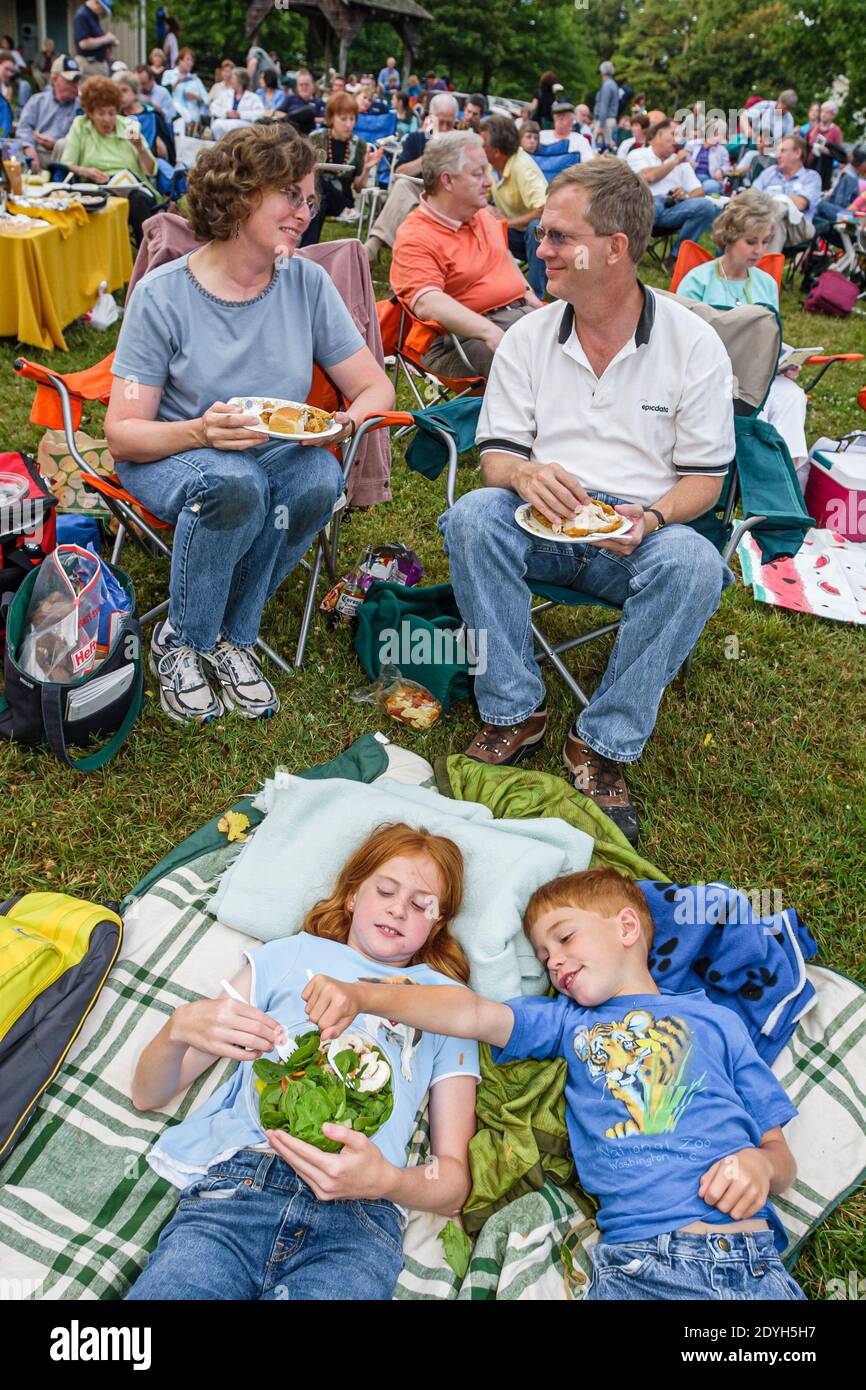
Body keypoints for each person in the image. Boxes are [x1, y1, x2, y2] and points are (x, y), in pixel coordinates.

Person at [303, 865, 805, 1303]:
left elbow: (780, 1156)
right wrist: (366, 996)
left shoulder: (718, 1022)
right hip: (633, 1268)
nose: (555, 962)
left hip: (741, 1259)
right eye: (544, 957)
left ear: (627, 926)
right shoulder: (568, 1023)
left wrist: (761, 1164)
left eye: (565, 939)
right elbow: (472, 1013)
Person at [437, 160, 735, 844]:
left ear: (615, 248)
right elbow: (498, 458)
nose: (538, 250)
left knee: (692, 563)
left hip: (638, 532)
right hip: (540, 520)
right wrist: (521, 476)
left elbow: (706, 482)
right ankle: (514, 711)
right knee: (472, 516)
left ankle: (603, 744)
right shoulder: (529, 339)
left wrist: (653, 517)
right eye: (540, 235)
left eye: (557, 237)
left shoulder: (693, 346)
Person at [104, 125, 394, 724]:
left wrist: (342, 423)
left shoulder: (306, 282)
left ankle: (235, 637)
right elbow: (123, 435)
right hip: (171, 454)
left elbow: (374, 385)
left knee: (318, 475)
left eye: (310, 199)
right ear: (239, 194)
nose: (306, 212)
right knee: (234, 482)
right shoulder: (164, 296)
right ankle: (182, 641)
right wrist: (200, 433)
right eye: (291, 194)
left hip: (269, 452)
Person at [125, 822, 479, 1300]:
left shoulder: (448, 1004)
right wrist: (176, 1030)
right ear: (352, 895)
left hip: (358, 1223)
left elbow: (453, 1181)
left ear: (436, 924)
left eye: (420, 905)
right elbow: (148, 1094)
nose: (399, 908)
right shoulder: (288, 957)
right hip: (238, 1190)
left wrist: (388, 1180)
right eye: (386, 890)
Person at [677, 191, 809, 484]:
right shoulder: (698, 281)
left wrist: (783, 361)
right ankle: (765, 486)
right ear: (729, 236)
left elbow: (767, 339)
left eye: (765, 242)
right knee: (756, 415)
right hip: (711, 380)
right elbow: (678, 340)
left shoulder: (764, 284)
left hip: (758, 378)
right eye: (751, 242)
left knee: (792, 397)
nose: (759, 251)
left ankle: (788, 484)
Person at [390, 131, 542, 380]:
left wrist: (530, 296)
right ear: (447, 181)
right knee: (535, 365)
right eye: (477, 173)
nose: (489, 182)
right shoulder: (416, 235)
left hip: (517, 316)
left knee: (585, 337)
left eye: (487, 171)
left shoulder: (480, 215)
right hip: (458, 340)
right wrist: (489, 332)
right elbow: (428, 302)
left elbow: (502, 257)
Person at [62, 76, 161, 243]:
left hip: (131, 187)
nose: (107, 119)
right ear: (90, 112)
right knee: (93, 200)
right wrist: (86, 171)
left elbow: (151, 170)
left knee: (139, 201)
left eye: (112, 113)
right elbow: (67, 164)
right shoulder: (80, 125)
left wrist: (140, 148)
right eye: (101, 113)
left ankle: (150, 257)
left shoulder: (129, 125)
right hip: (96, 185)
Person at [363, 91, 458, 263]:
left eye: (448, 124)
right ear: (431, 118)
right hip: (414, 200)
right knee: (403, 186)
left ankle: (374, 246)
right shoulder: (416, 139)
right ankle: (375, 247)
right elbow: (399, 173)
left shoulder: (460, 146)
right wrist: (427, 158)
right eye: (440, 122)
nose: (444, 129)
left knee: (412, 208)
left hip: (442, 204)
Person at [628, 118, 719, 270]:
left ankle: (675, 258)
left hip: (672, 209)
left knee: (707, 206)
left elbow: (699, 191)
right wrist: (675, 161)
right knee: (653, 201)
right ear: (659, 134)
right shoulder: (638, 154)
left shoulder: (681, 163)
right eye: (673, 133)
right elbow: (648, 177)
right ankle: (630, 254)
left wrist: (685, 196)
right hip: (643, 208)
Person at [482, 114, 549, 299]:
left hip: (541, 238)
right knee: (481, 222)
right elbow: (481, 196)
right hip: (514, 234)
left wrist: (507, 222)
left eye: (484, 143)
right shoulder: (492, 166)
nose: (480, 148)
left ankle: (536, 297)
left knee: (536, 229)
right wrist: (487, 207)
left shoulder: (522, 167)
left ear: (496, 151)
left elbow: (544, 210)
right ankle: (487, 288)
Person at [304, 92, 382, 244]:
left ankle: (305, 251)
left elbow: (359, 187)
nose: (348, 124)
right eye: (343, 119)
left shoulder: (359, 145)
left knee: (320, 192)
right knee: (319, 189)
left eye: (352, 119)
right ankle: (308, 252)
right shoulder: (316, 138)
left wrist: (366, 168)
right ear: (331, 118)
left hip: (344, 198)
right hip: (320, 199)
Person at [750, 134, 821, 252]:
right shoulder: (769, 172)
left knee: (782, 205)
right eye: (777, 151)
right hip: (771, 225)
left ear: (797, 153)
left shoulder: (811, 177)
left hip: (798, 227)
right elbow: (751, 195)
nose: (777, 155)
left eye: (782, 151)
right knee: (777, 226)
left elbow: (801, 203)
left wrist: (768, 203)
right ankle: (766, 269)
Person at [16, 55, 83, 170]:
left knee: (62, 144)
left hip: (68, 159)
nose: (75, 85)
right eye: (70, 81)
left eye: (77, 81)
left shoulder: (83, 106)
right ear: (55, 79)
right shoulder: (37, 101)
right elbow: (23, 128)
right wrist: (29, 148)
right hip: (39, 154)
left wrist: (56, 144)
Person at [210, 67, 265, 140]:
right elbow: (213, 107)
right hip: (224, 123)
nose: (231, 80)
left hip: (243, 125)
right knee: (216, 125)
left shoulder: (253, 97)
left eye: (233, 78)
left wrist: (240, 114)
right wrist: (226, 113)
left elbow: (259, 114)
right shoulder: (226, 94)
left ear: (241, 80)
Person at [163, 46, 208, 132]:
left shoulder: (195, 80)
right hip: (174, 116)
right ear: (180, 60)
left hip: (192, 119)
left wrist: (196, 97)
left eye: (192, 61)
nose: (190, 63)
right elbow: (164, 94)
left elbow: (207, 99)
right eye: (188, 59)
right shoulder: (168, 74)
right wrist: (177, 81)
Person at [72, 0, 116, 78]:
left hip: (97, 65)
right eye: (102, 9)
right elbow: (83, 43)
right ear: (96, 2)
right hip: (88, 65)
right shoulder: (82, 16)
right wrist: (106, 39)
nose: (102, 12)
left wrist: (110, 41)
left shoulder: (93, 16)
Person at [684, 131, 731, 195]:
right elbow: (684, 157)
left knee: (710, 186)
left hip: (710, 178)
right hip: (692, 176)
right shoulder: (692, 144)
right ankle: (695, 193)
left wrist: (721, 170)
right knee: (687, 184)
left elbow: (726, 165)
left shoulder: (722, 150)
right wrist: (689, 164)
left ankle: (694, 193)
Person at [281, 67, 324, 134]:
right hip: (291, 133)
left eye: (306, 84)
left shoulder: (320, 103)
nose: (304, 87)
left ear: (312, 85)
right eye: (301, 85)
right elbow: (277, 113)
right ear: (297, 87)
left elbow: (326, 120)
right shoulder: (290, 99)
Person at [593, 61, 619, 148]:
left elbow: (603, 106)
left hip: (605, 122)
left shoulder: (607, 85)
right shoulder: (613, 84)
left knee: (600, 149)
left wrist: (601, 125)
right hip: (610, 120)